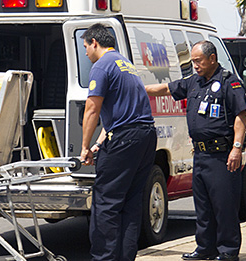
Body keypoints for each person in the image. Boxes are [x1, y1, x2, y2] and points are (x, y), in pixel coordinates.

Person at [145, 40, 246, 261]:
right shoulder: (194, 82)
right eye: (192, 61)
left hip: (222, 155)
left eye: (198, 61)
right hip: (200, 155)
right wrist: (138, 89)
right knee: (203, 207)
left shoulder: (229, 83)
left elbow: (241, 115)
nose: (195, 66)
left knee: (224, 206)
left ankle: (228, 251)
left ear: (212, 59)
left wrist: (237, 148)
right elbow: (165, 89)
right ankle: (205, 248)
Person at [78, 23, 157, 261]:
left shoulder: (101, 66)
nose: (85, 53)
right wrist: (99, 144)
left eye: (85, 47)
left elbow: (92, 108)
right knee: (130, 204)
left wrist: (84, 147)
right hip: (144, 137)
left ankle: (104, 257)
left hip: (126, 139)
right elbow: (120, 115)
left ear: (94, 42)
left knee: (106, 202)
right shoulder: (126, 65)